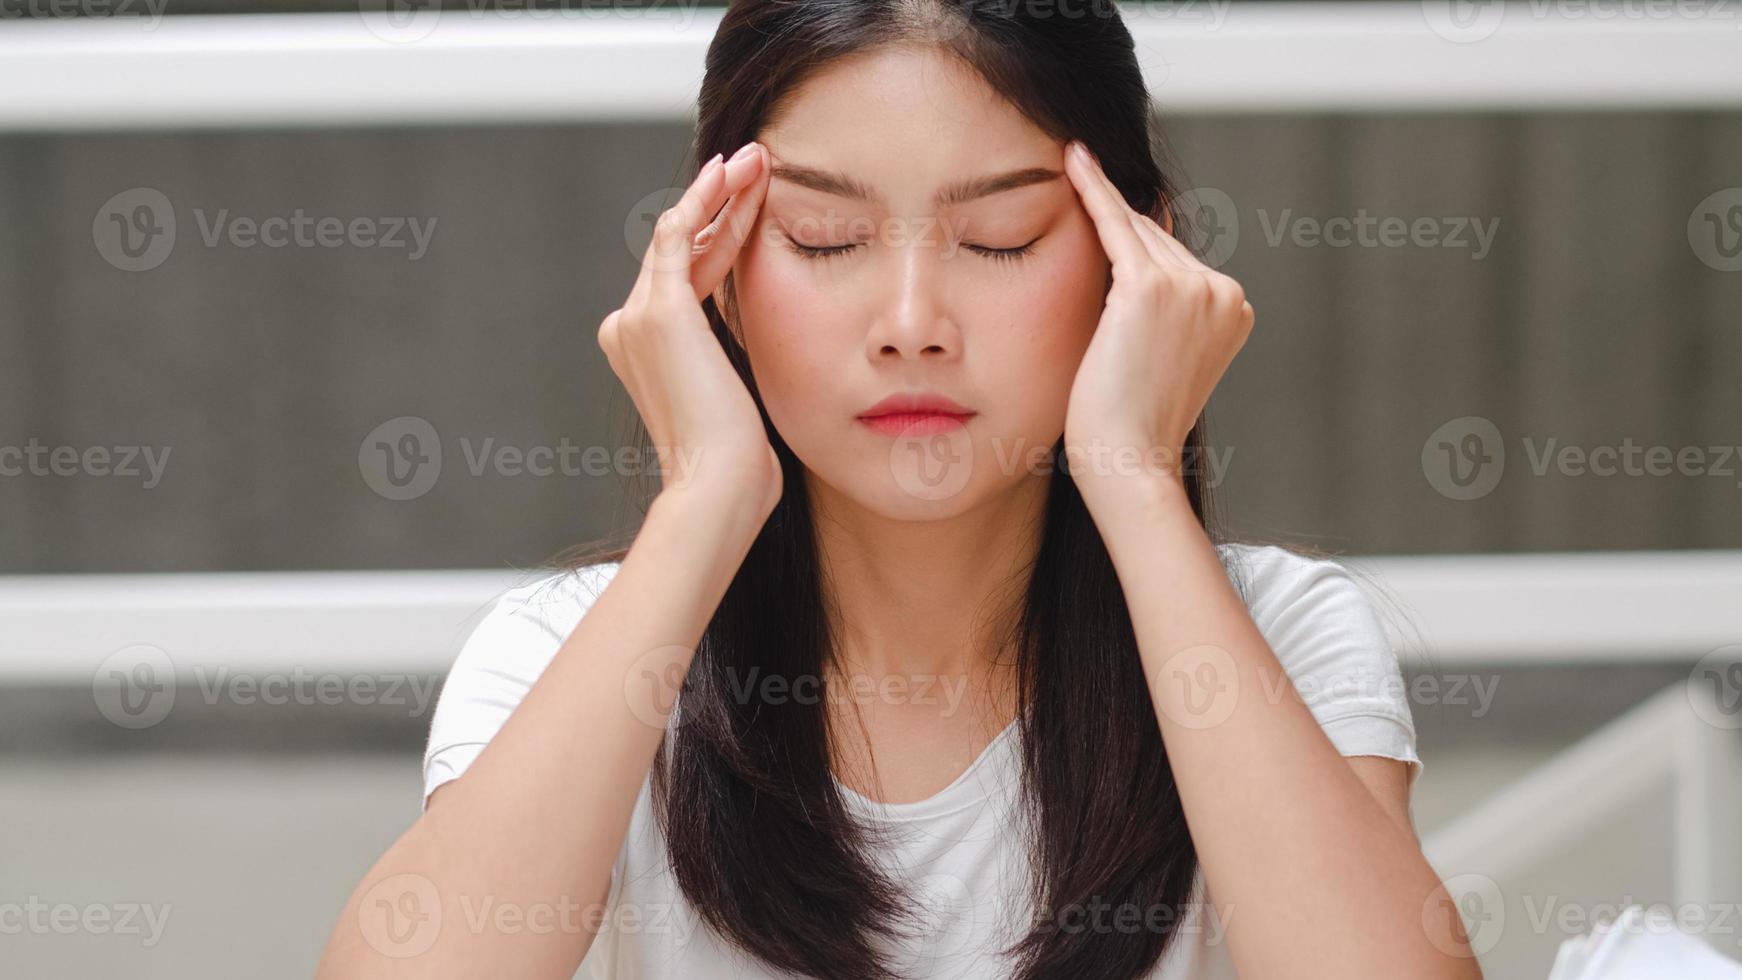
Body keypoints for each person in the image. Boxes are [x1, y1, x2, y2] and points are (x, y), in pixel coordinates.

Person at [318, 1, 1478, 977]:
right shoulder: (570, 651)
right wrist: (704, 504)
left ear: (1141, 265)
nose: (912, 326)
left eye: (1000, 237)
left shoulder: (1278, 632)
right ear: (711, 270)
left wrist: (1133, 475)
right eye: (824, 239)